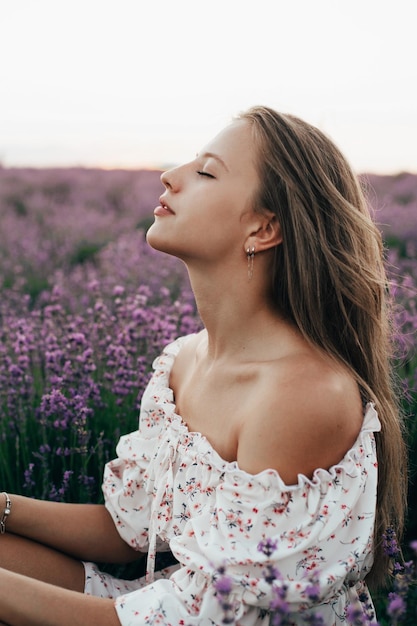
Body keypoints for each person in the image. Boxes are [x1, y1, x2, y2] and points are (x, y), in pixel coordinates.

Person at [0, 106, 407, 625]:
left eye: (207, 171)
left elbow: (207, 614)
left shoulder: (303, 392)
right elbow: (135, 530)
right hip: (161, 598)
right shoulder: (183, 361)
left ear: (264, 227)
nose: (170, 175)